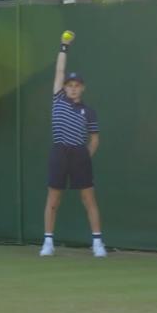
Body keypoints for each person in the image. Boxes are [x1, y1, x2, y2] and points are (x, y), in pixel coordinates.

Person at [39, 30, 107, 258]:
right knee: (54, 198)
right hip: (59, 151)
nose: (73, 88)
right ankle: (48, 242)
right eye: (70, 85)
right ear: (65, 88)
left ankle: (97, 243)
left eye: (77, 85)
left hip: (79, 154)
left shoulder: (89, 111)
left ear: (82, 88)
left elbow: (95, 139)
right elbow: (59, 70)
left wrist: (86, 155)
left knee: (88, 198)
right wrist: (63, 46)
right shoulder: (58, 98)